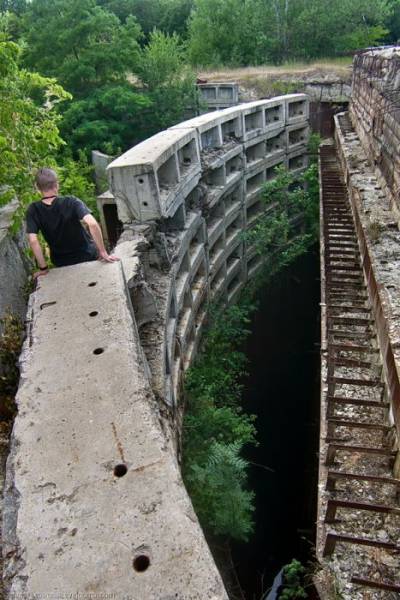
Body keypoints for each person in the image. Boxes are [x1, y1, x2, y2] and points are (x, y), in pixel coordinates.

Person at [26, 168, 119, 278]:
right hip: (87, 255)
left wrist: (43, 268)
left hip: (61, 262)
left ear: (37, 187)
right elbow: (92, 224)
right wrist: (103, 252)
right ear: (57, 184)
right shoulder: (71, 201)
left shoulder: (33, 209)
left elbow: (33, 240)